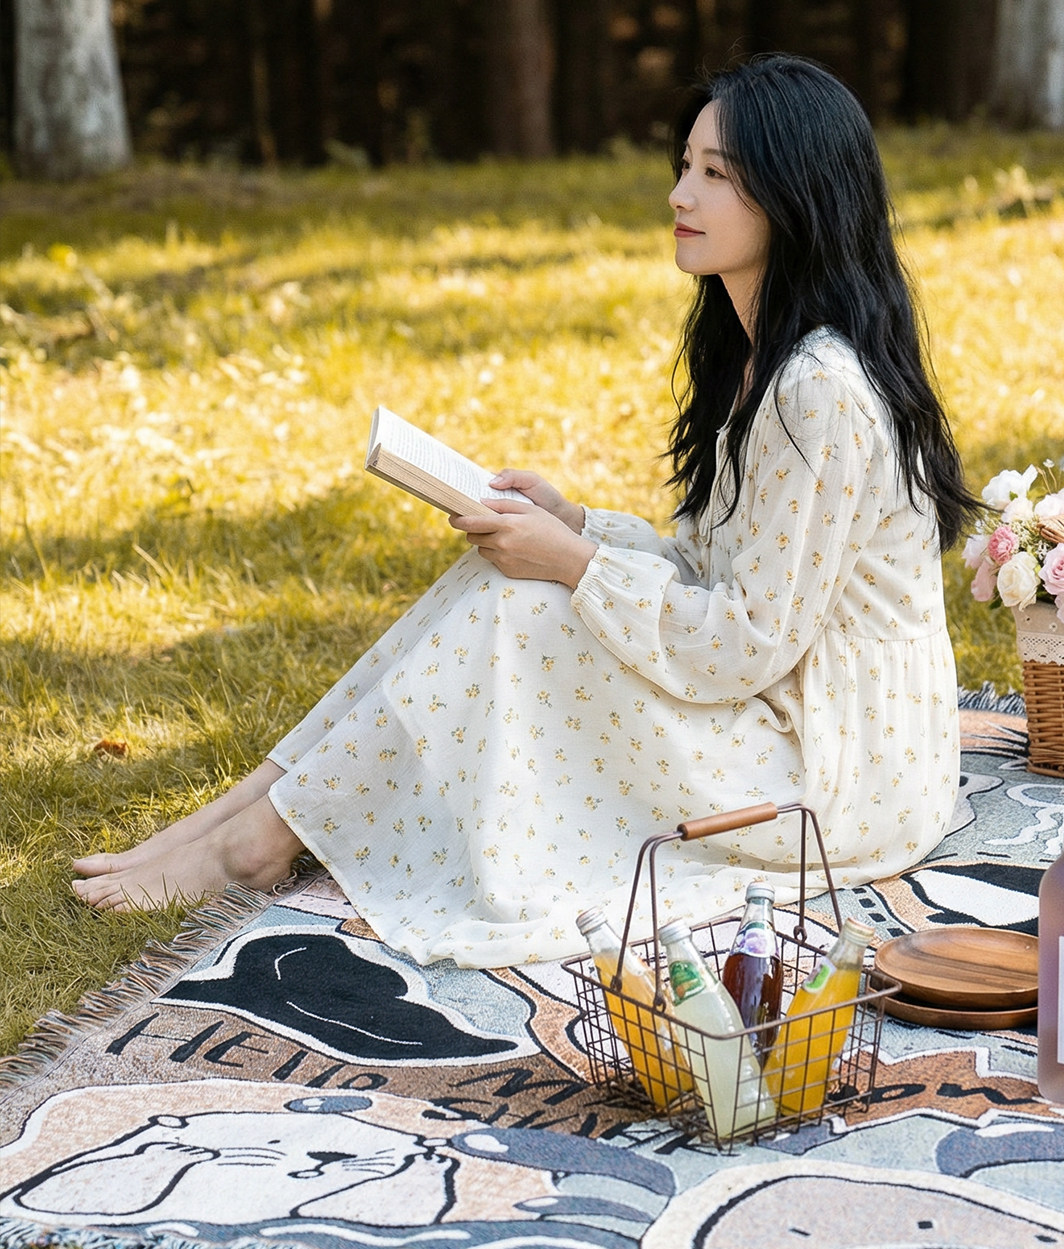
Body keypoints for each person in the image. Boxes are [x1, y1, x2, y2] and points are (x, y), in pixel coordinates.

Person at [73, 54, 980, 968]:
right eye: (685, 165)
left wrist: (573, 565)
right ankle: (241, 815)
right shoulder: (759, 358)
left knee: (523, 604)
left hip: (836, 769)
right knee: (501, 574)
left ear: (795, 199)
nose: (680, 194)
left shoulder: (817, 390)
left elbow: (743, 643)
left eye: (717, 174)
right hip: (786, 711)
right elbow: (716, 568)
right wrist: (576, 523)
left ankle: (251, 844)